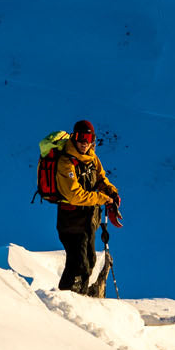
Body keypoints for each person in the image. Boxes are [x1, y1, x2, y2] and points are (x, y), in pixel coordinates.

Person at [55, 119, 121, 294]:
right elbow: (74, 194)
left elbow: (100, 178)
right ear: (74, 137)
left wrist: (111, 192)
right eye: (80, 137)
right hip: (71, 222)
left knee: (90, 261)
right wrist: (101, 198)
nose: (84, 142)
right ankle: (67, 301)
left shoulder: (92, 157)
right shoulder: (66, 162)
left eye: (88, 138)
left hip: (89, 221)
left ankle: (75, 300)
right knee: (79, 264)